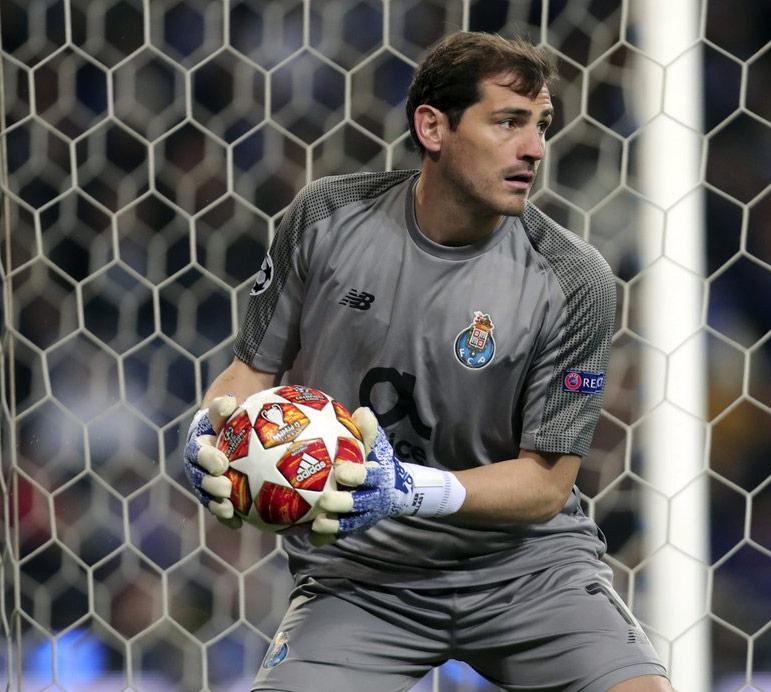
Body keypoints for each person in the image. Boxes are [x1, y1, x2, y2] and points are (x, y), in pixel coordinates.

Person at [184, 31, 671, 692]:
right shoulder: (325, 218)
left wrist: (405, 489)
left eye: (541, 125)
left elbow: (546, 485)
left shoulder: (574, 279)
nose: (535, 148)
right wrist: (211, 435)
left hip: (529, 573)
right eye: (508, 122)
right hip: (361, 579)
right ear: (433, 127)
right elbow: (250, 373)